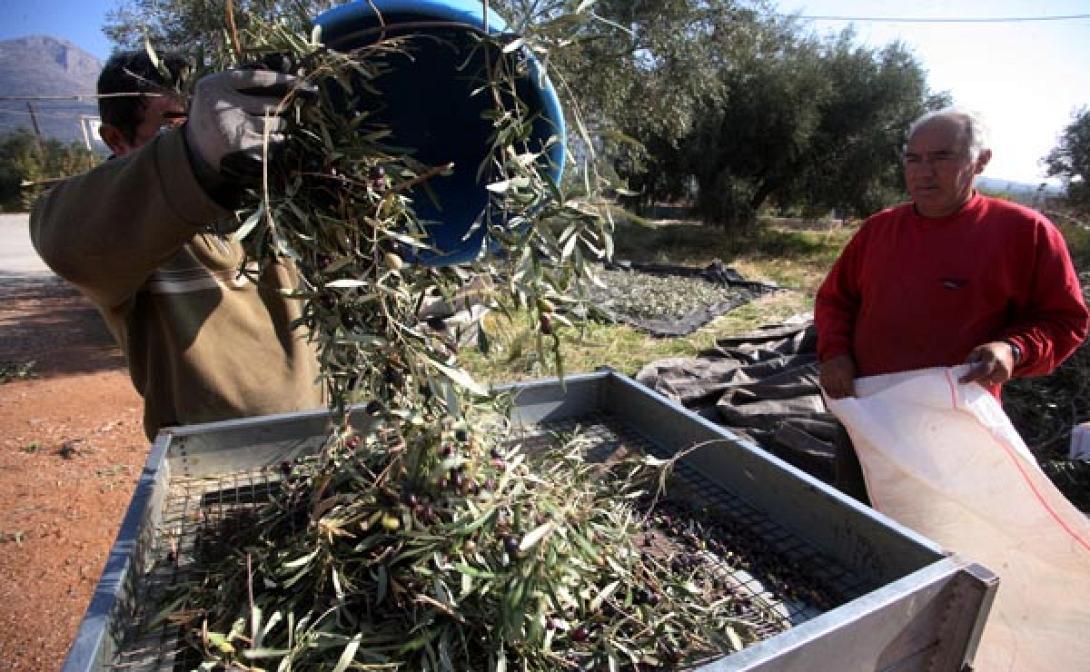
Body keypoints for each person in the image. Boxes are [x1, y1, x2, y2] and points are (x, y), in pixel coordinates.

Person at [30, 51, 325, 440]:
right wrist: (193, 156)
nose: (218, 128)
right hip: (213, 468)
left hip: (329, 448)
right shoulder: (132, 229)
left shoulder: (283, 203)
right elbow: (61, 238)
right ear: (116, 139)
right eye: (176, 124)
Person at [816, 107, 1088, 401]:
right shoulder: (879, 229)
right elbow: (835, 300)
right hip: (866, 407)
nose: (924, 172)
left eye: (941, 157)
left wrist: (1013, 349)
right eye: (913, 159)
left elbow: (1065, 321)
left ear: (980, 161)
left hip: (957, 416)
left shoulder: (1025, 232)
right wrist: (835, 354)